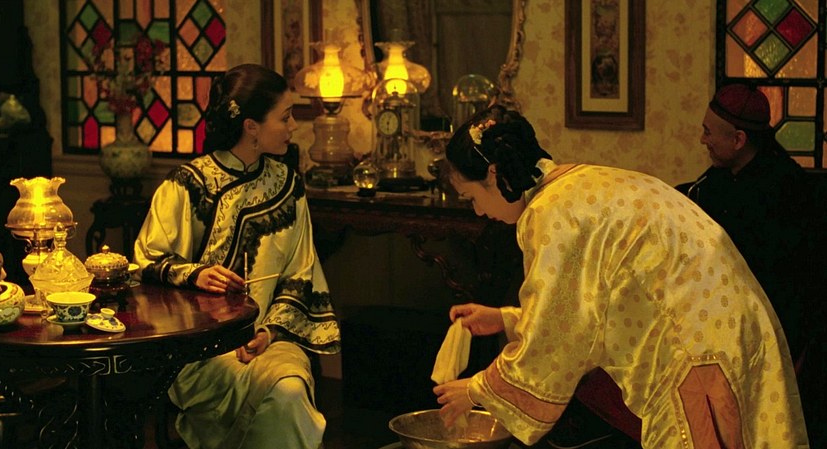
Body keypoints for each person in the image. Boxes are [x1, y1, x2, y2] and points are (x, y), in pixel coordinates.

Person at [432, 105, 809, 448]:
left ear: (494, 174)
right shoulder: (579, 183)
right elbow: (580, 312)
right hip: (730, 325)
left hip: (696, 348)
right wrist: (505, 319)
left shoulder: (549, 213)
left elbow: (556, 338)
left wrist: (478, 389)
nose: (478, 212)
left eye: (471, 197)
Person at [133, 63, 340, 449]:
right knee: (279, 397)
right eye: (285, 117)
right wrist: (195, 274)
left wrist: (268, 332)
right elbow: (146, 261)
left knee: (289, 390)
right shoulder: (187, 185)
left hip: (272, 339)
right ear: (251, 127)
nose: (293, 126)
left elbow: (301, 271)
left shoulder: (287, 185)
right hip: (200, 348)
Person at [677, 83, 823, 447]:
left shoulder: (784, 193)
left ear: (739, 139)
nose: (702, 140)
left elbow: (784, 289)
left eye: (709, 132)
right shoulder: (724, 175)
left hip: (769, 338)